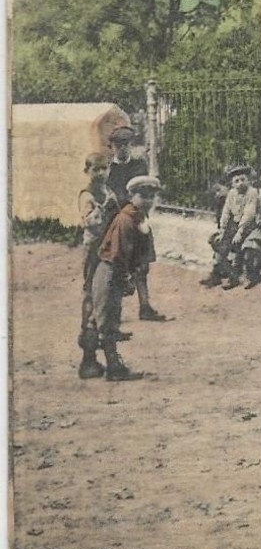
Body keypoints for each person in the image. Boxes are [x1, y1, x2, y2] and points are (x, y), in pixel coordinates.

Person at [91, 175, 162, 381]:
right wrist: (128, 278)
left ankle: (112, 364)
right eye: (142, 196)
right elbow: (119, 254)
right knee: (106, 318)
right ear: (132, 196)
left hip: (116, 271)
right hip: (110, 270)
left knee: (111, 316)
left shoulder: (138, 218)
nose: (147, 201)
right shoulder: (126, 219)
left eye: (151, 197)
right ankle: (112, 367)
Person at [106, 125, 164, 320]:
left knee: (142, 264)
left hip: (138, 218)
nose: (122, 149)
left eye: (126, 144)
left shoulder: (139, 166)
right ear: (111, 147)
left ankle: (145, 306)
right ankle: (114, 312)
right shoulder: (108, 170)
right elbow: (109, 197)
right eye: (118, 145)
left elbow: (147, 193)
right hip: (118, 222)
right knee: (118, 266)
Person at [77, 153, 120, 379]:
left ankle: (102, 358)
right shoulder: (88, 195)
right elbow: (91, 222)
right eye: (96, 169)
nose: (101, 173)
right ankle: (89, 359)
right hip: (94, 252)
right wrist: (105, 207)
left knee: (107, 297)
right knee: (92, 299)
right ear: (87, 172)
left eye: (105, 169)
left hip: (108, 249)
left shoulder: (108, 192)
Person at [200, 165, 257, 289]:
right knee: (220, 243)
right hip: (234, 225)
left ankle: (236, 277)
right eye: (236, 181)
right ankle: (218, 274)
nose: (240, 183)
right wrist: (222, 229)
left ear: (248, 180)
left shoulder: (252, 193)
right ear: (232, 184)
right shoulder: (232, 194)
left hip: (248, 226)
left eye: (243, 179)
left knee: (238, 247)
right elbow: (226, 211)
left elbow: (249, 213)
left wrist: (240, 231)